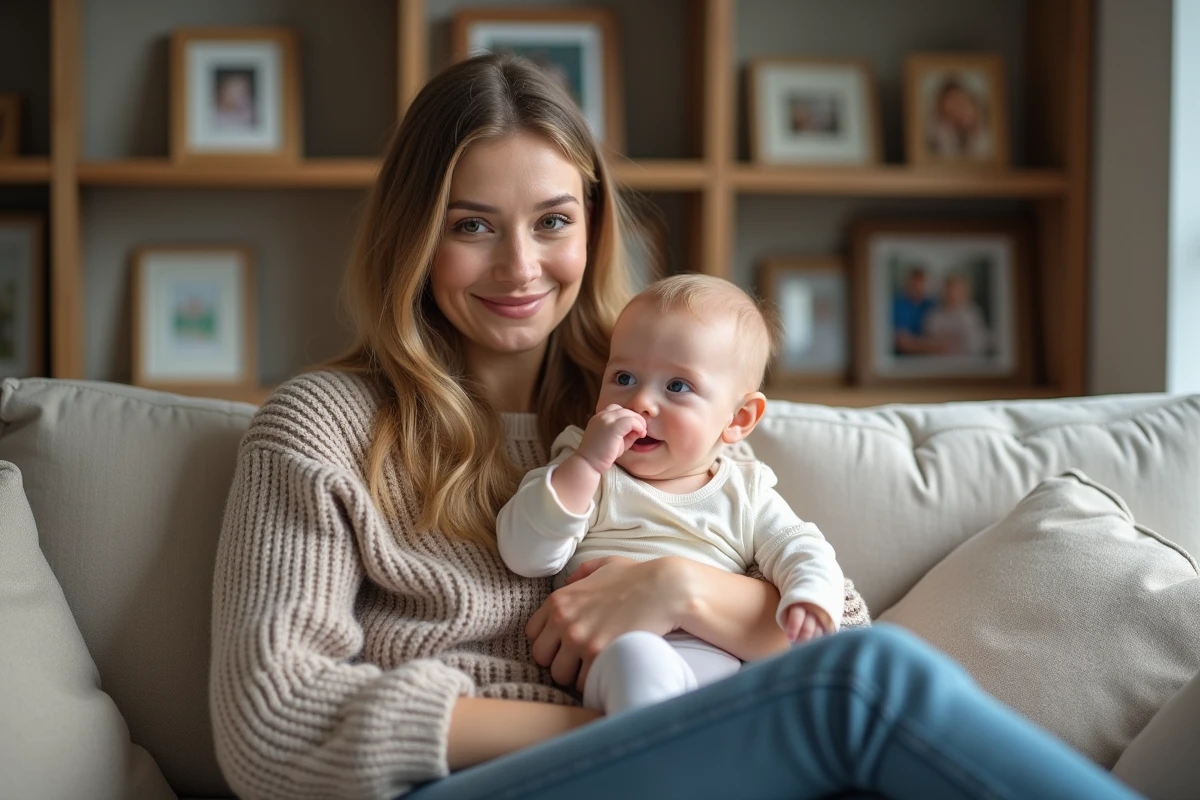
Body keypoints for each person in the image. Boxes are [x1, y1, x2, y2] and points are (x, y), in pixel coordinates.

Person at [209, 52, 1141, 800]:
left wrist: (682, 590)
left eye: (553, 220)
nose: (521, 267)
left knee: (863, 675)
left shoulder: (659, 402)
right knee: (872, 690)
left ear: (594, 226)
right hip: (481, 774)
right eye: (473, 226)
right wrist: (642, 728)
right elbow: (272, 725)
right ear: (413, 235)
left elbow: (829, 624)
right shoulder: (323, 426)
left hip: (690, 744)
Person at [497, 275, 845, 714]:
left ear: (738, 418)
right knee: (636, 663)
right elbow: (524, 553)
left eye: (677, 386)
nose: (641, 401)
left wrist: (811, 598)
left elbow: (803, 548)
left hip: (715, 664)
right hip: (612, 656)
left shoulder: (747, 490)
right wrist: (585, 465)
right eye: (623, 377)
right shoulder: (587, 466)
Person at [923, 273, 991, 356]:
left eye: (956, 290)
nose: (952, 294)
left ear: (964, 292)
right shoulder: (934, 314)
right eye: (949, 290)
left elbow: (980, 344)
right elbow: (927, 342)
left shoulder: (972, 314)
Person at [926, 75, 993, 160]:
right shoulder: (935, 131)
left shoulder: (984, 134)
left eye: (958, 102)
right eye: (950, 102)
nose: (955, 108)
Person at [892, 266, 940, 355]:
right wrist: (934, 345)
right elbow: (904, 344)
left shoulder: (932, 304)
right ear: (907, 283)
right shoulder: (898, 304)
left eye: (921, 282)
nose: (917, 287)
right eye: (914, 283)